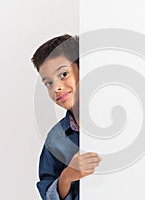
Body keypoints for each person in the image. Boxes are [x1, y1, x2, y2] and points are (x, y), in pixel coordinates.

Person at [31, 34, 101, 200]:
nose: (57, 88)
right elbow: (47, 192)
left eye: (63, 74)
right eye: (48, 83)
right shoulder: (56, 139)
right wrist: (67, 176)